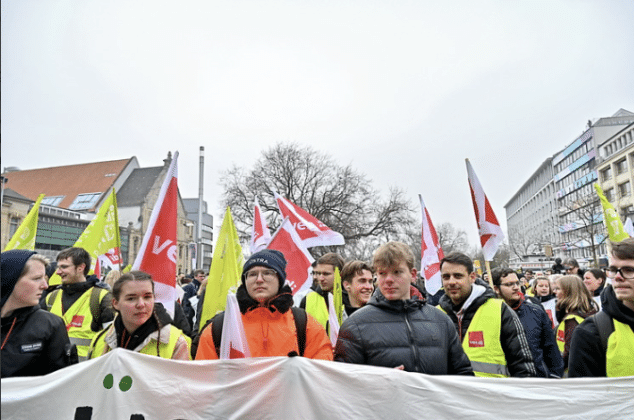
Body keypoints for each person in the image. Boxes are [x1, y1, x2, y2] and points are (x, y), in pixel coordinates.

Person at [334, 242, 473, 375]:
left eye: (397, 272)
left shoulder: (441, 320)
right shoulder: (355, 325)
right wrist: (378, 382)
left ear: (412, 274)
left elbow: (463, 375)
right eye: (382, 273)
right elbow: (344, 385)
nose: (388, 279)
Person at [195, 250, 332, 360]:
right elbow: (205, 383)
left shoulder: (305, 325)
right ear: (245, 281)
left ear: (280, 279)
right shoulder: (220, 327)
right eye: (252, 274)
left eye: (268, 273)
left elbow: (320, 377)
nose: (259, 279)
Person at [438, 252, 537, 377]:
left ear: (472, 277)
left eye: (458, 276)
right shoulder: (435, 314)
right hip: (449, 395)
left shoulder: (500, 310)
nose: (451, 282)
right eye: (446, 277)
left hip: (493, 395)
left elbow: (522, 365)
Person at [2, 250, 76, 378]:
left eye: (44, 278)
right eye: (37, 279)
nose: (45, 285)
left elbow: (60, 382)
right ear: (10, 280)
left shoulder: (50, 325)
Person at [88, 271, 191, 360]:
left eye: (147, 297)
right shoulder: (100, 340)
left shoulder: (177, 343)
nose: (141, 304)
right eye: (131, 298)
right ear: (115, 303)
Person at [569, 238, 634, 377]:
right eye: (613, 270)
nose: (617, 277)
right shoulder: (590, 332)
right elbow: (585, 395)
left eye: (629, 270)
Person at [41, 247, 114, 361]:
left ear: (81, 267)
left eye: (64, 267)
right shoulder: (51, 297)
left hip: (86, 372)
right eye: (58, 267)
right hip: (53, 372)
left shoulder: (101, 297)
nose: (58, 272)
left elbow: (112, 340)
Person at [492, 268, 564, 378]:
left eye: (517, 283)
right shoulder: (489, 314)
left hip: (537, 381)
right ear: (496, 288)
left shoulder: (536, 311)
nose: (516, 287)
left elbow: (550, 348)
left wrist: (555, 376)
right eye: (509, 284)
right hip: (504, 383)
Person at [553, 275, 598, 371]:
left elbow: (569, 354)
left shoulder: (572, 321)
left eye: (558, 289)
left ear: (568, 292)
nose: (554, 292)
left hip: (569, 376)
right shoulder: (590, 313)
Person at [299, 253, 346, 335]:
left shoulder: (352, 299)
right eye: (318, 273)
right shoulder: (308, 300)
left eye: (326, 274)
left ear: (340, 275)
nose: (321, 278)